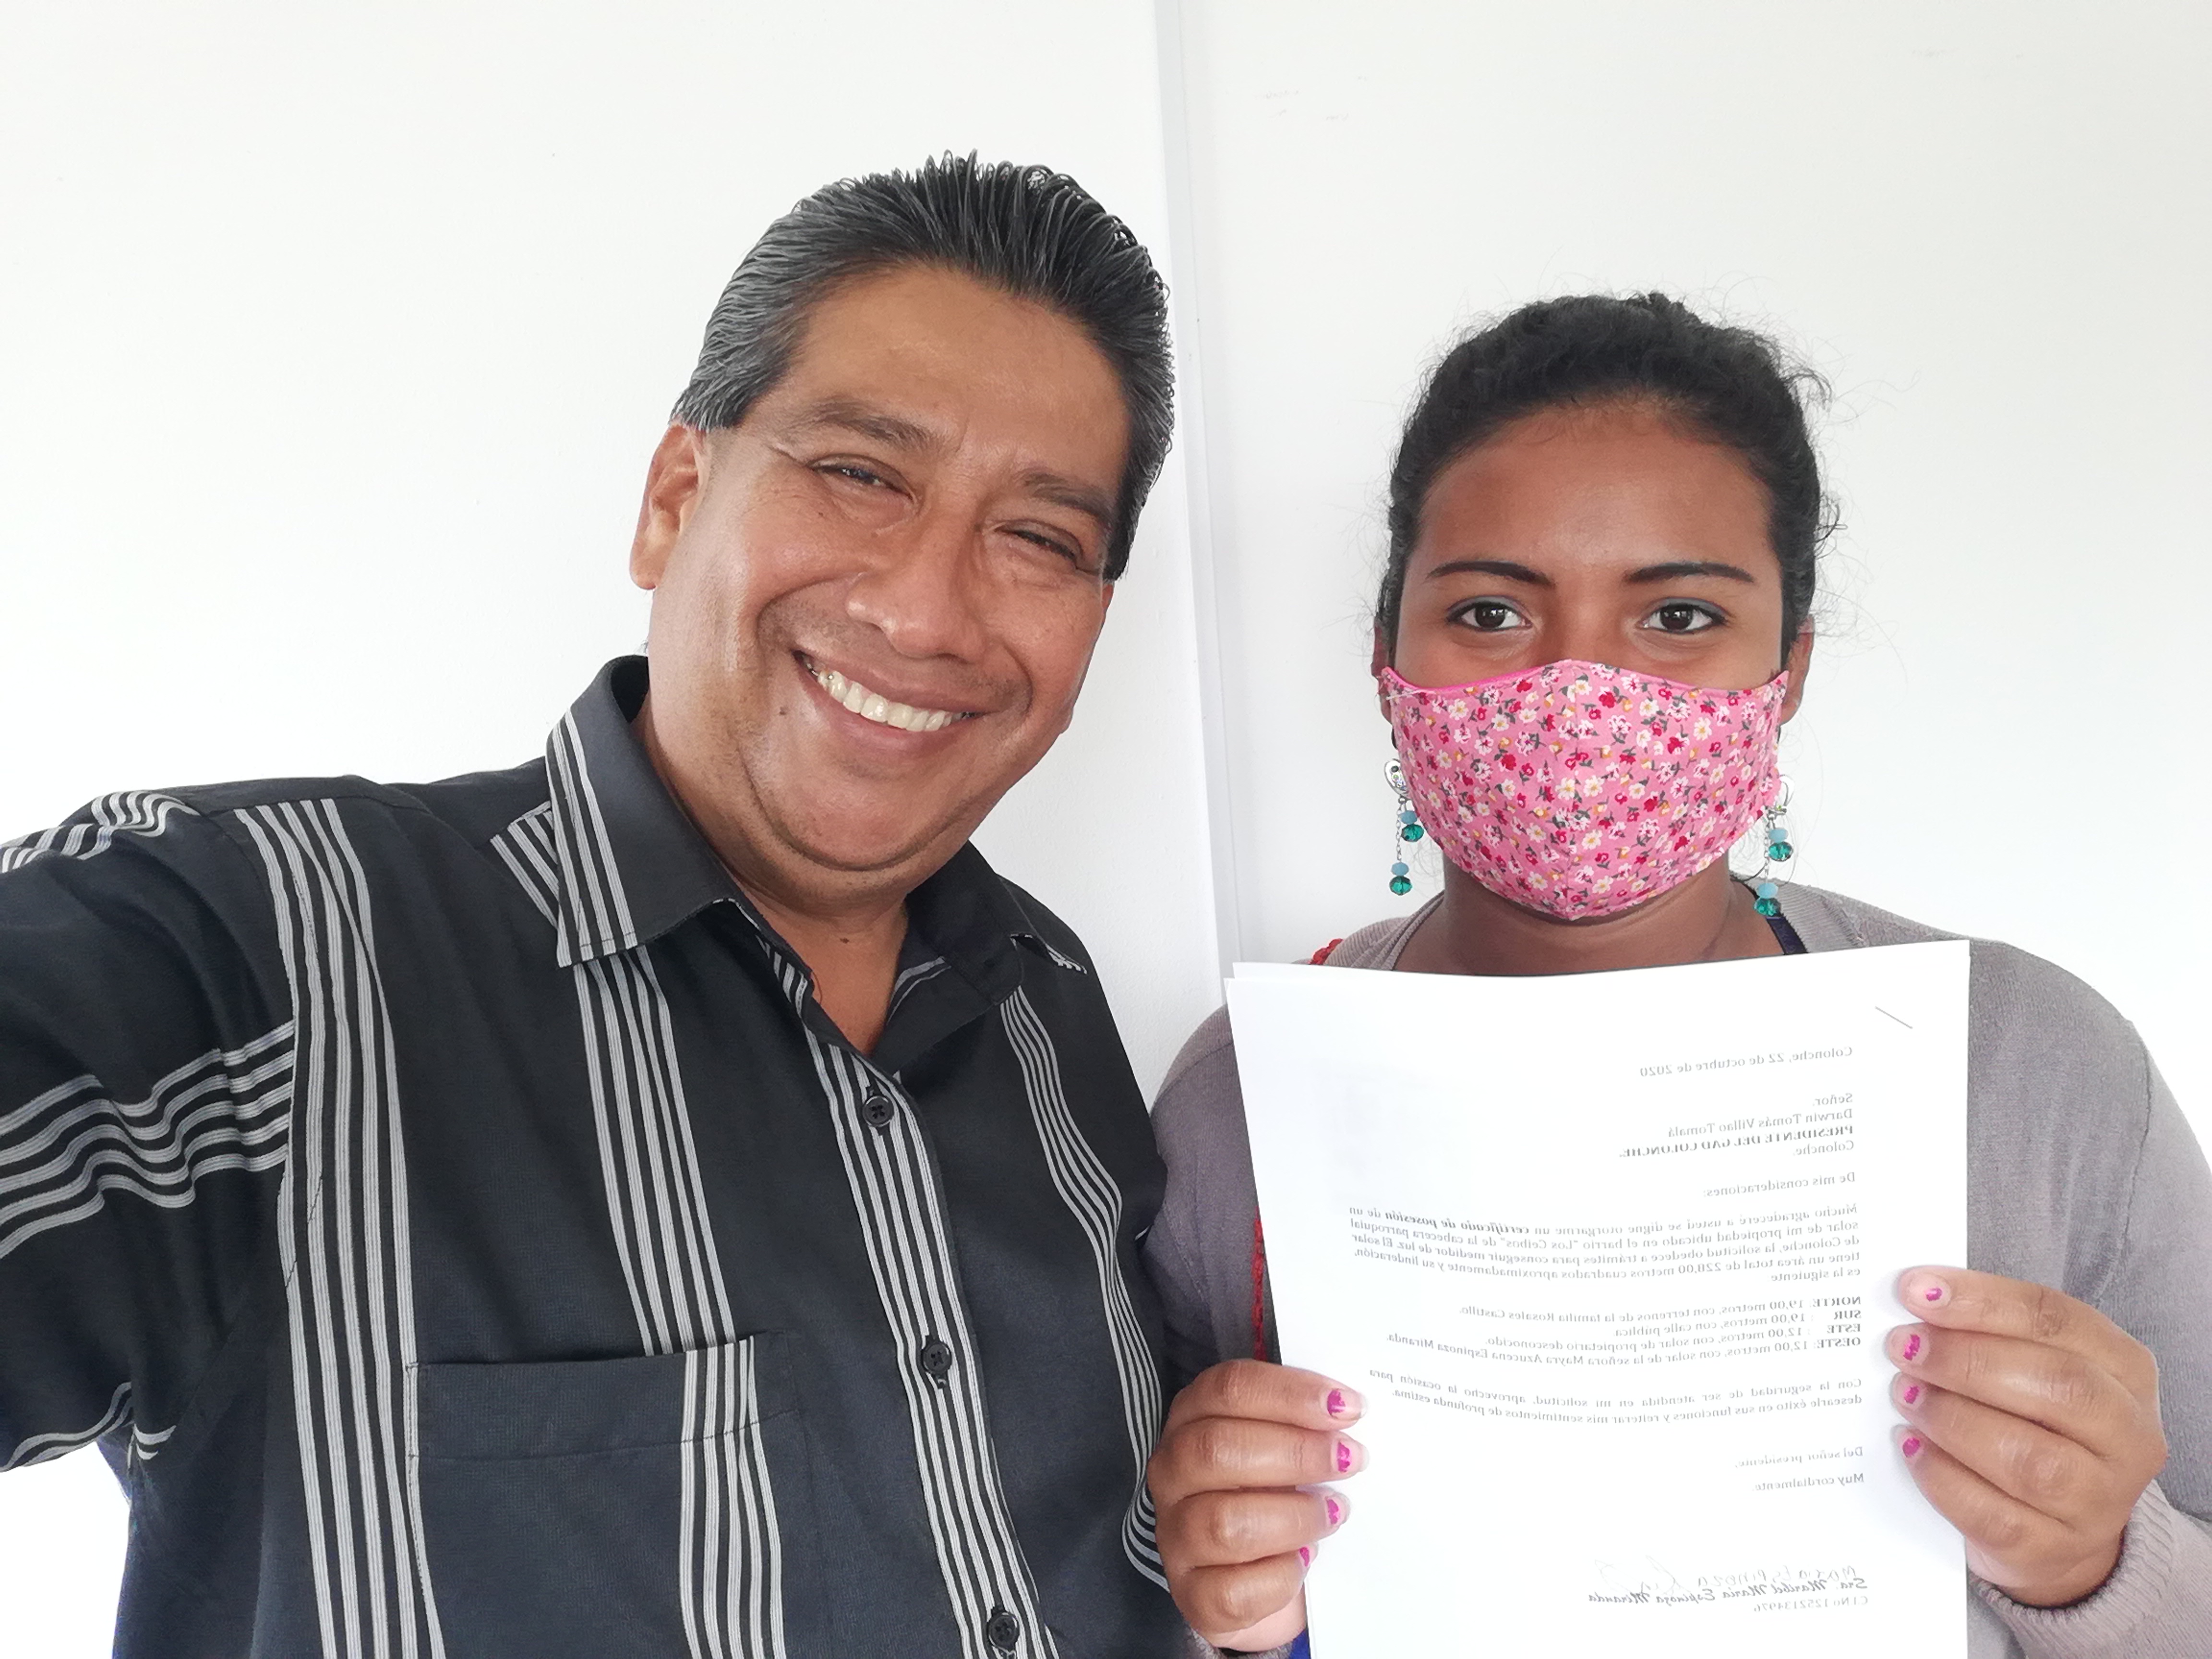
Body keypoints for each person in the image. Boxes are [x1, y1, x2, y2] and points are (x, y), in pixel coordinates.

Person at [0, 156, 1193, 1658]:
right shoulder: (265, 951)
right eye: (862, 473)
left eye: (1040, 539)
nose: (926, 612)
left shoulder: (1050, 996)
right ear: (675, 501)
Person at [1141, 294, 2212, 1659]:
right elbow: (1149, 1577)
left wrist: (2102, 1566)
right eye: (1489, 610)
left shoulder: (2034, 1069)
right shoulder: (1241, 1096)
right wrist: (1231, 1611)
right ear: (1386, 662)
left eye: (1679, 615)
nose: (1581, 691)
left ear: (1788, 671)